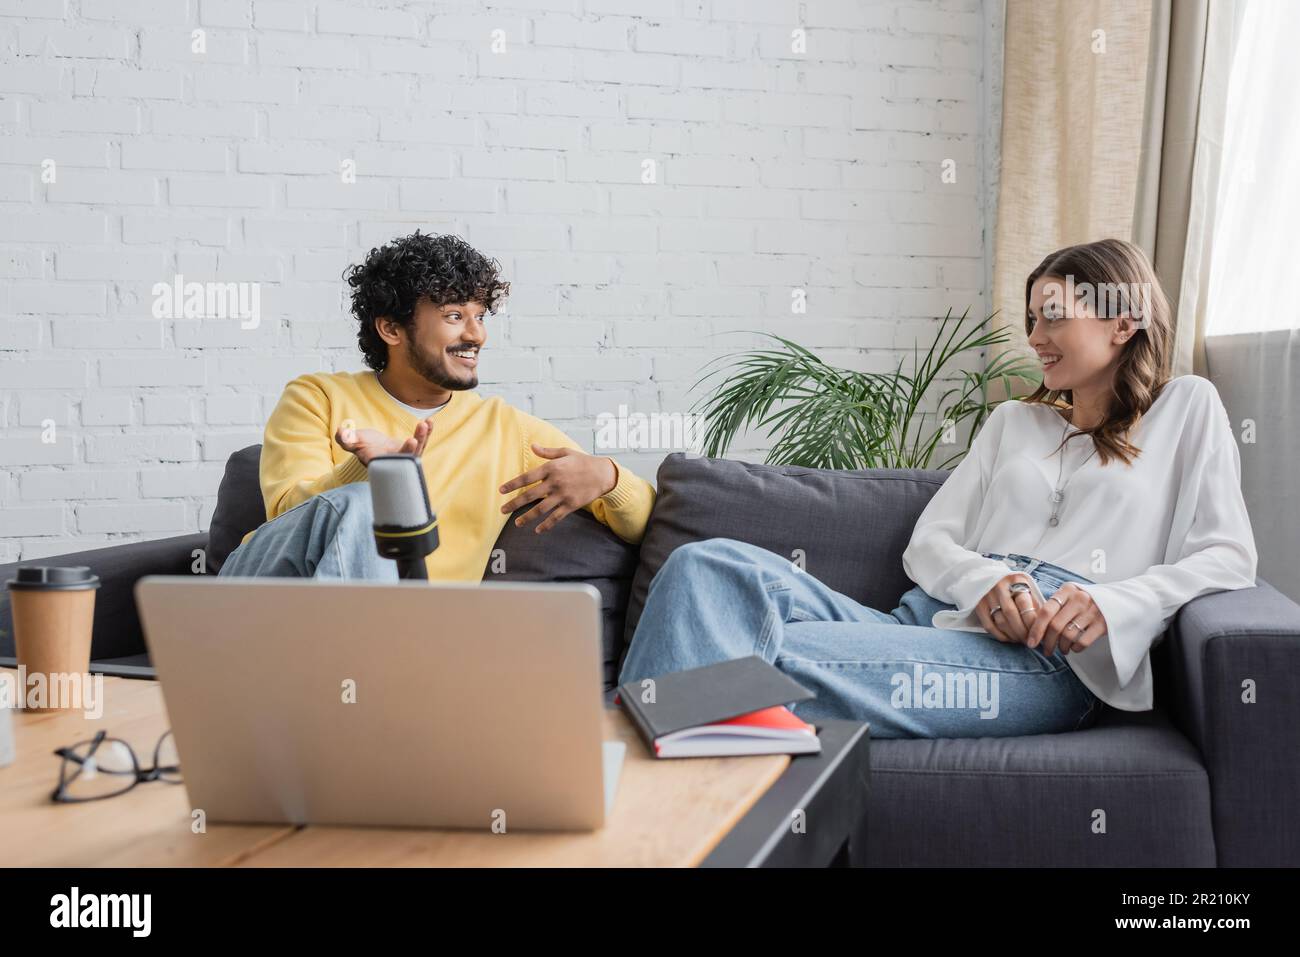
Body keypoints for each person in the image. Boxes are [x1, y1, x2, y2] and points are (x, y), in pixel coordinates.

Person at [619, 238, 1258, 738]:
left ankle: (628, 807)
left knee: (751, 654)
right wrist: (985, 582)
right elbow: (931, 542)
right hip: (923, 617)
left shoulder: (1187, 408)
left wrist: (1116, 604)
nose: (1034, 338)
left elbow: (1228, 556)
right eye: (1032, 319)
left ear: (1123, 322)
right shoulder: (1014, 422)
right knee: (701, 565)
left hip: (1043, 657)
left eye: (1054, 317)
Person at [219, 231, 655, 581]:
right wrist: (368, 471)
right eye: (453, 316)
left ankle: (362, 671)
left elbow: (643, 526)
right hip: (263, 595)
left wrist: (608, 476)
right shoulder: (317, 396)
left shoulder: (506, 430)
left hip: (402, 627)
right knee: (361, 505)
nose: (477, 335)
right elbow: (288, 519)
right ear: (391, 328)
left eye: (480, 316)